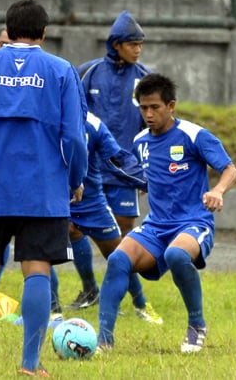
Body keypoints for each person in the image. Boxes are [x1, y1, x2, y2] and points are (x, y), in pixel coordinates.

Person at [0, 0, 88, 377]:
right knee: (37, 270)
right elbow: (74, 136)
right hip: (42, 190)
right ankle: (29, 364)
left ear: (7, 30)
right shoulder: (61, 70)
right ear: (44, 32)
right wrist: (76, 179)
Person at [97, 73, 236, 354]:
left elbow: (230, 169)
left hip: (194, 222)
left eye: (155, 108)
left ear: (171, 106)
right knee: (117, 260)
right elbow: (148, 177)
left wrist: (218, 191)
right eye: (143, 108)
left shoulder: (194, 135)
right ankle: (103, 341)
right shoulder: (140, 142)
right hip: (156, 227)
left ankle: (197, 325)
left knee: (176, 255)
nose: (148, 114)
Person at [65, 111, 163, 324]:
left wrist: (142, 179)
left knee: (118, 254)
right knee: (57, 239)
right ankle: (67, 302)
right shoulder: (46, 115)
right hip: (58, 200)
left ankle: (141, 303)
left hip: (92, 203)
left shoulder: (93, 124)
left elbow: (116, 157)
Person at [77, 10, 152, 241]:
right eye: (132, 45)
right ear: (116, 45)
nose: (138, 50)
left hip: (125, 168)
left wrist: (143, 169)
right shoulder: (89, 72)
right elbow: (75, 119)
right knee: (75, 228)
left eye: (140, 45)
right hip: (92, 168)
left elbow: (152, 129)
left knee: (124, 228)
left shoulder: (146, 78)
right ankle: (89, 279)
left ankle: (117, 274)